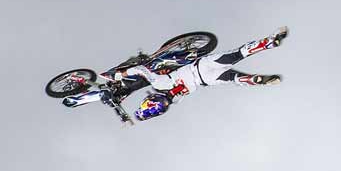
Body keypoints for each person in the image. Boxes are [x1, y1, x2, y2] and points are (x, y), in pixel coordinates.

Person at [121, 26, 290, 121]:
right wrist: (123, 74)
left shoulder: (177, 100)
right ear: (149, 100)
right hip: (200, 66)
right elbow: (142, 70)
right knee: (238, 54)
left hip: (206, 80)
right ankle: (269, 42)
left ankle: (252, 80)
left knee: (233, 78)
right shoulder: (159, 83)